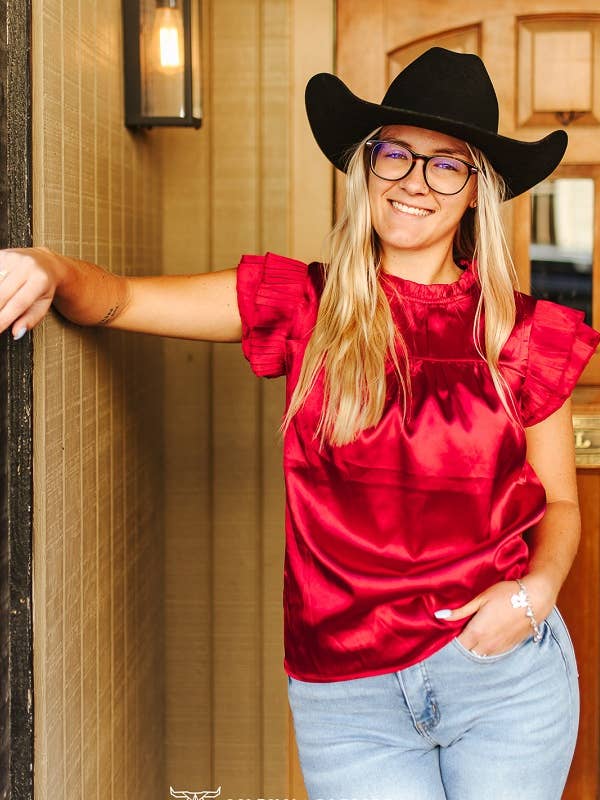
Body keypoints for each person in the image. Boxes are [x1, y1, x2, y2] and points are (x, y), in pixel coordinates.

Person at [0, 47, 598, 800]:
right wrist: (49, 268)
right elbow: (119, 299)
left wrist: (534, 596)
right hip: (348, 699)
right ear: (366, 169)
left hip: (501, 677)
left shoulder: (523, 335)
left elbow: (562, 504)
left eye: (446, 165)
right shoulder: (302, 307)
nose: (415, 183)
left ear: (478, 190)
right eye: (396, 156)